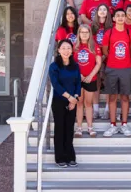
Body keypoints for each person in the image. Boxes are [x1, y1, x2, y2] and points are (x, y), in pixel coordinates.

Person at [102, 9, 131, 137]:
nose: (120, 18)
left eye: (123, 15)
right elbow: (105, 50)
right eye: (118, 16)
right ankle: (113, 125)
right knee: (112, 97)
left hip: (126, 68)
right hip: (112, 68)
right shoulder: (109, 33)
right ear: (114, 18)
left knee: (125, 97)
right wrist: (113, 60)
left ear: (125, 18)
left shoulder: (129, 32)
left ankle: (124, 124)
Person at [48, 39, 80, 167]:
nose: (66, 50)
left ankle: (70, 157)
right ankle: (60, 158)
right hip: (59, 101)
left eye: (68, 48)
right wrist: (69, 97)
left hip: (73, 101)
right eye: (64, 48)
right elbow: (56, 84)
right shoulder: (54, 66)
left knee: (69, 129)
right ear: (59, 50)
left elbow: (78, 83)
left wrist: (75, 98)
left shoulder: (75, 66)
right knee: (60, 128)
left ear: (72, 51)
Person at [73, 25, 102, 138]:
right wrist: (78, 74)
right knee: (79, 103)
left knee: (88, 103)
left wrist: (90, 75)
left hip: (91, 78)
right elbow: (71, 63)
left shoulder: (95, 46)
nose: (84, 34)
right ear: (79, 34)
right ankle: (79, 128)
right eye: (82, 32)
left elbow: (98, 63)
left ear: (90, 34)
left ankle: (90, 127)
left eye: (87, 32)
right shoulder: (74, 47)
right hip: (77, 79)